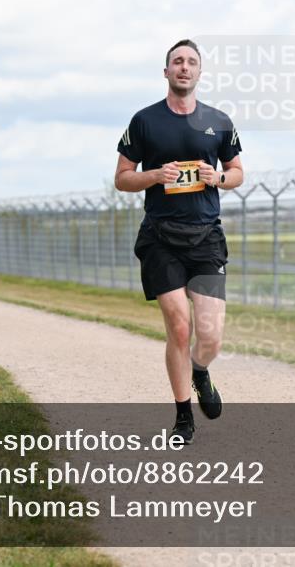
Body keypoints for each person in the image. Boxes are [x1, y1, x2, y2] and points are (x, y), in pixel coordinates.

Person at [114, 39, 244, 445]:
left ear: (199, 72)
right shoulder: (144, 121)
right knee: (180, 326)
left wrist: (217, 177)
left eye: (191, 62)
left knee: (211, 336)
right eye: (177, 61)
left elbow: (237, 172)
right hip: (161, 238)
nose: (184, 67)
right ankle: (183, 416)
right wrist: (155, 176)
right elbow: (122, 178)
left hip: (206, 238)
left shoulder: (219, 121)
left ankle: (200, 371)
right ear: (166, 71)